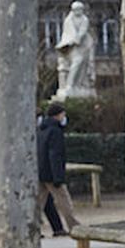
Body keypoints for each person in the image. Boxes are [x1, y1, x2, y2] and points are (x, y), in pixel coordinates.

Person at [37, 101, 79, 237]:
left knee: (38, 203)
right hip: (51, 173)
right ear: (58, 115)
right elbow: (55, 154)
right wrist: (58, 176)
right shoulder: (55, 132)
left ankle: (32, 228)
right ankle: (74, 227)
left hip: (40, 171)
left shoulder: (42, 130)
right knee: (64, 201)